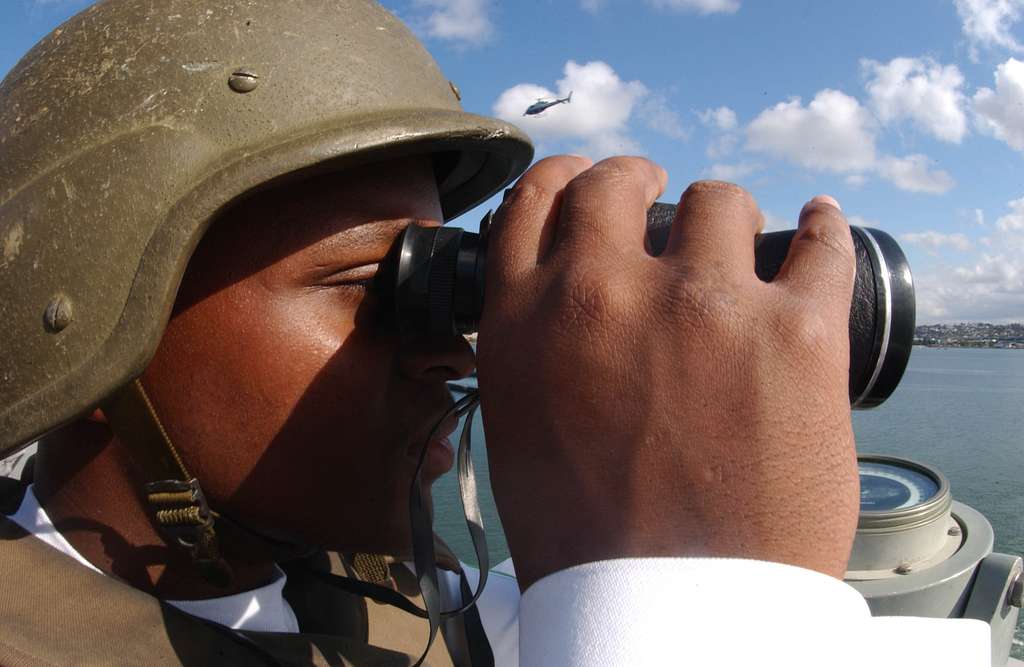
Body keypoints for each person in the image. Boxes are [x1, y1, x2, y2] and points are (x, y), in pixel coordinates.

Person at [0, 1, 989, 665]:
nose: (451, 348)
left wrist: (647, 514)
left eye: (438, 284)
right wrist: (699, 594)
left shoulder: (395, 594)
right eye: (369, 286)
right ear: (95, 338)